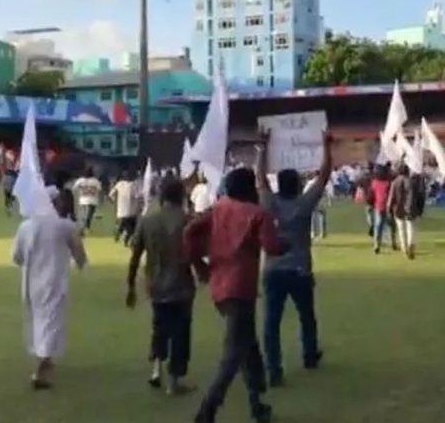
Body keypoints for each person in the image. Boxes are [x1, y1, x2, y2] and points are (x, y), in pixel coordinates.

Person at [185, 168, 283, 423]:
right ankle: (208, 409)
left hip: (220, 286)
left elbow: (189, 231)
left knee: (248, 346)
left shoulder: (219, 207)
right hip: (241, 288)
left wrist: (198, 264)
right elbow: (272, 247)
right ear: (249, 189)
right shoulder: (257, 214)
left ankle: (257, 402)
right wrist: (287, 244)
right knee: (233, 354)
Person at [255, 130, 332, 387]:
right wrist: (325, 145)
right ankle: (309, 355)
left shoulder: (269, 203)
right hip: (300, 268)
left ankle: (273, 368)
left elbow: (261, 180)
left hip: (273, 269)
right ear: (299, 186)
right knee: (306, 315)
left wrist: (263, 147)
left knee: (271, 322)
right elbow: (324, 176)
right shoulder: (304, 204)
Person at [127, 176, 199, 396]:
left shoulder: (147, 220)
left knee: (159, 326)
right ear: (181, 196)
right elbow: (195, 253)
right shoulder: (187, 220)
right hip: (181, 284)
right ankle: (174, 381)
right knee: (180, 332)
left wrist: (130, 284)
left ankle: (156, 369)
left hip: (156, 284)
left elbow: (135, 255)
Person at [12, 191, 88, 389]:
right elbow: (79, 252)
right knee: (50, 323)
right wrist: (81, 264)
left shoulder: (25, 226)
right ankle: (41, 371)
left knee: (39, 321)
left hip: (31, 283)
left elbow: (16, 257)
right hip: (53, 282)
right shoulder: (64, 226)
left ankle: (45, 359)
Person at [388, 163, 421, 260]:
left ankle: (404, 247)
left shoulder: (394, 182)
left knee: (401, 229)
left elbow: (391, 197)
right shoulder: (411, 182)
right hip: (410, 208)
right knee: (410, 228)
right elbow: (415, 196)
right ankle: (411, 244)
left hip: (398, 208)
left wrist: (389, 208)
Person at [369, 165, 395, 254]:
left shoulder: (374, 183)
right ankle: (392, 243)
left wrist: (371, 204)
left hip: (378, 207)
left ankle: (377, 245)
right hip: (388, 206)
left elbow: (371, 195)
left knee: (378, 226)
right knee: (391, 225)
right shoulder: (388, 183)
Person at [110, 171, 139, 246]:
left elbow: (111, 194)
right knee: (131, 229)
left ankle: (118, 235)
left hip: (121, 210)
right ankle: (126, 240)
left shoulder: (119, 184)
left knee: (123, 224)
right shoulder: (133, 185)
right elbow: (137, 196)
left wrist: (113, 201)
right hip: (131, 211)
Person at [73, 168, 102, 234]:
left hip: (83, 200)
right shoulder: (95, 181)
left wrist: (81, 188)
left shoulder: (81, 180)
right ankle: (85, 228)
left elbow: (74, 188)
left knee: (84, 216)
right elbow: (99, 189)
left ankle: (83, 228)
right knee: (88, 216)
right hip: (92, 201)